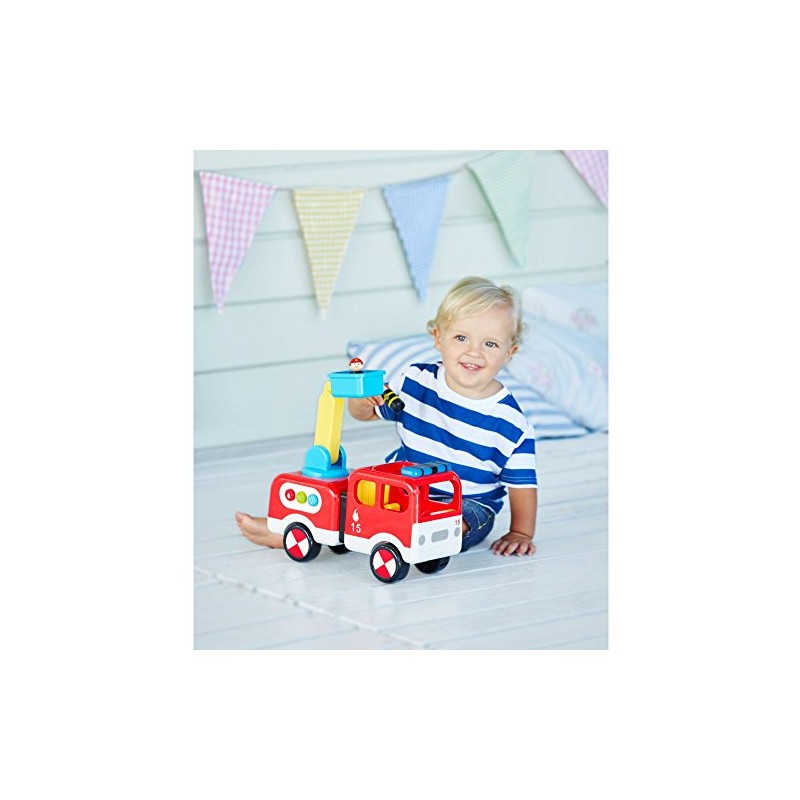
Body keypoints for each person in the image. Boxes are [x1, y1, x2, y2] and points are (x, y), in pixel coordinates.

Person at [236, 276, 537, 557]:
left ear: (509, 353)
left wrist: (521, 532)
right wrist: (363, 402)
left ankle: (389, 538)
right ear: (438, 337)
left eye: (490, 344)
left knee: (451, 524)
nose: (474, 352)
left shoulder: (511, 423)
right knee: (346, 489)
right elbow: (365, 415)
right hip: (401, 486)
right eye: (461, 337)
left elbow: (522, 486)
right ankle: (288, 529)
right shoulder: (416, 381)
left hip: (465, 503)